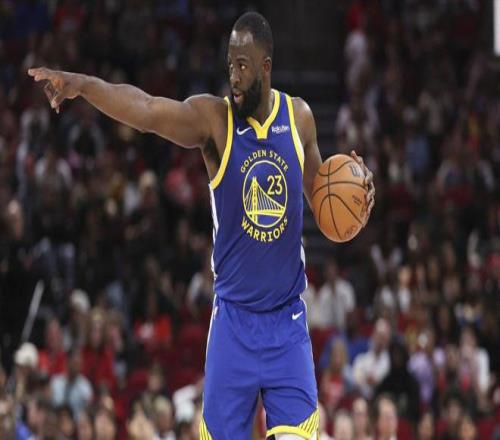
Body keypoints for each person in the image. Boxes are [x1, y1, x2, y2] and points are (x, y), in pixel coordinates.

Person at [29, 11, 375, 440]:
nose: (234, 75)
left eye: (243, 65)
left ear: (266, 66)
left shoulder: (299, 118)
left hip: (286, 323)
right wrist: (84, 85)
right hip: (233, 324)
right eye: (230, 63)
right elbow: (147, 110)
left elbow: (325, 203)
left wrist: (356, 195)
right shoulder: (213, 120)